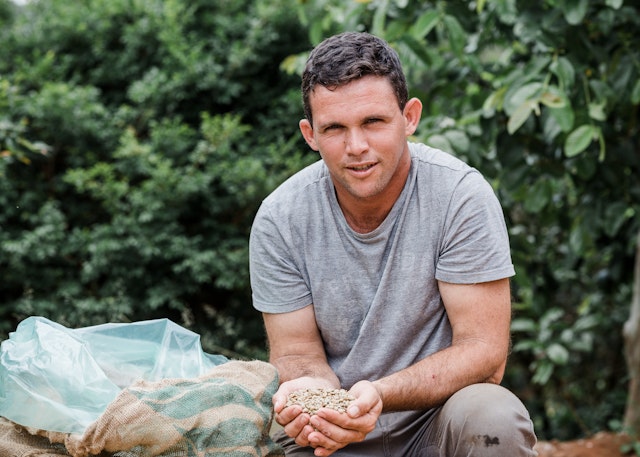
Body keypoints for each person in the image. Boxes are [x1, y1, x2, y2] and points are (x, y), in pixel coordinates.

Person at [249, 31, 537, 457]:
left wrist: (379, 394)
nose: (357, 147)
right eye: (335, 129)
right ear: (310, 134)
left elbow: (484, 353)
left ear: (409, 116)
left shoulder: (459, 195)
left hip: (434, 425)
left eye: (373, 122)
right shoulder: (280, 218)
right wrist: (312, 392)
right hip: (330, 433)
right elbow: (295, 351)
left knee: (492, 415)